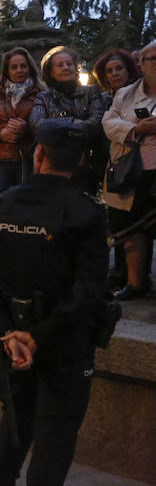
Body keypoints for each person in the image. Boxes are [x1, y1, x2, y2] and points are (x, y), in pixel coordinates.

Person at [0, 121, 108, 486]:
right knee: (56, 433)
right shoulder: (87, 213)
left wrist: (9, 333)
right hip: (65, 341)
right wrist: (36, 337)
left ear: (38, 154)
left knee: (16, 419)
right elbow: (89, 290)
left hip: (13, 335)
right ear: (78, 162)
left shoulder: (0, 205)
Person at [102, 41, 156, 301]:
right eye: (151, 59)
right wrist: (137, 128)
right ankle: (135, 283)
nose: (155, 63)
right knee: (134, 227)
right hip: (134, 169)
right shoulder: (126, 94)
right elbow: (108, 123)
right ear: (141, 64)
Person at [30, 46, 107, 194]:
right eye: (59, 65)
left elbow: (97, 121)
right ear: (50, 72)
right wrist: (72, 122)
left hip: (86, 163)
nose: (66, 67)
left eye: (69, 64)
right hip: (53, 166)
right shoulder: (43, 97)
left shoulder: (90, 92)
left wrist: (57, 130)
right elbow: (37, 123)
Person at [0, 48, 42, 208]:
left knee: (27, 208)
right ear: (7, 71)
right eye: (14, 67)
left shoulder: (40, 93)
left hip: (29, 158)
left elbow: (47, 127)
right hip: (1, 158)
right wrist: (1, 135)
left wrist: (26, 129)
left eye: (23, 66)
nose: (19, 70)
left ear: (30, 68)